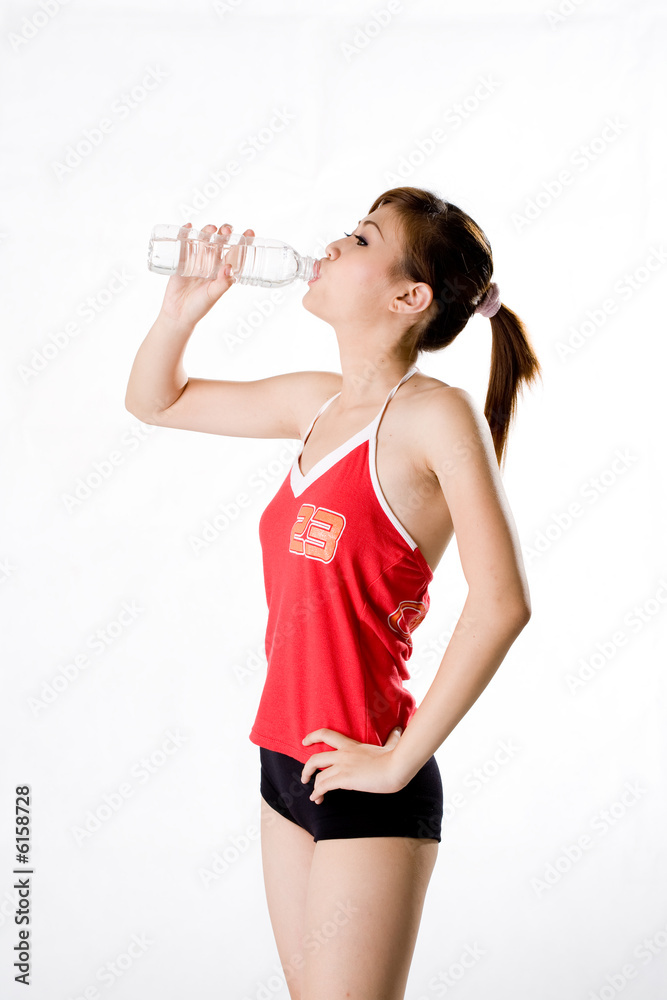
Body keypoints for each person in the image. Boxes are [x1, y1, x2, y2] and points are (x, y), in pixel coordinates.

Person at [125, 185, 541, 1000]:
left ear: (408, 297)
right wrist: (181, 312)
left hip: (369, 771)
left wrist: (399, 762)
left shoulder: (435, 416)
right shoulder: (314, 403)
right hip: (284, 760)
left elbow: (502, 602)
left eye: (362, 238)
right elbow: (154, 402)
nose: (333, 244)